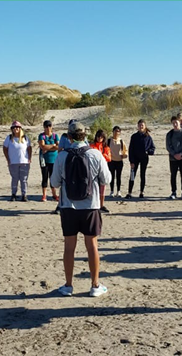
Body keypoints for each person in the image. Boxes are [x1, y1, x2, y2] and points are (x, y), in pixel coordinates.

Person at [50, 121, 112, 297]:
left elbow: (54, 182)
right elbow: (106, 179)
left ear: (69, 136)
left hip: (68, 206)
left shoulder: (62, 156)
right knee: (92, 245)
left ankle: (68, 285)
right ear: (85, 135)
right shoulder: (95, 154)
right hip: (90, 206)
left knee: (69, 247)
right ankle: (95, 285)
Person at [126, 119, 155, 199]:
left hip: (144, 159)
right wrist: (131, 161)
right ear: (137, 126)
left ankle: (141, 192)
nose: (141, 126)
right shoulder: (134, 136)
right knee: (132, 175)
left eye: (142, 125)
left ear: (145, 126)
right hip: (135, 159)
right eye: (139, 125)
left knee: (143, 175)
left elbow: (152, 148)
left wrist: (148, 152)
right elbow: (130, 149)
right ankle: (129, 193)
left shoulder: (148, 137)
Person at [3, 120, 32, 202]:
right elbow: (5, 148)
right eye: (14, 127)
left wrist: (29, 158)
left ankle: (24, 194)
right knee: (14, 178)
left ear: (20, 128)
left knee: (24, 179)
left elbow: (29, 148)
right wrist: (8, 159)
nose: (16, 129)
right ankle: (13, 194)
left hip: (24, 162)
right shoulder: (9, 138)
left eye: (17, 127)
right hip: (13, 162)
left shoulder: (25, 138)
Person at [166, 116, 182, 200]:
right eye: (173, 123)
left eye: (176, 122)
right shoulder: (170, 134)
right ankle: (173, 192)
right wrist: (174, 154)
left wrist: (181, 154)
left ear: (180, 122)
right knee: (173, 175)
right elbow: (168, 146)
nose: (175, 124)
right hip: (173, 158)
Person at [89, 129, 112, 213]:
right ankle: (93, 204)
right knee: (93, 187)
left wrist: (101, 155)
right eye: (98, 136)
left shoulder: (105, 147)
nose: (99, 138)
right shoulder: (92, 146)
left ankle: (101, 205)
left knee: (102, 187)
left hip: (103, 168)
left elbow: (109, 158)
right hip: (93, 169)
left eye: (101, 137)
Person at [37, 120, 60, 202]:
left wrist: (49, 147)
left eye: (49, 126)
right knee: (45, 177)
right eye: (46, 126)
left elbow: (58, 146)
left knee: (53, 177)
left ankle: (54, 194)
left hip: (54, 160)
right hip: (44, 160)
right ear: (44, 127)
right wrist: (52, 146)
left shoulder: (55, 136)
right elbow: (42, 146)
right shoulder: (41, 136)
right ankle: (44, 195)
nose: (48, 128)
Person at [106, 126, 128, 197]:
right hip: (111, 161)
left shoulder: (121, 141)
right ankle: (112, 191)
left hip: (119, 161)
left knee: (119, 177)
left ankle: (118, 191)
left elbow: (125, 151)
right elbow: (105, 149)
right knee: (111, 176)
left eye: (118, 131)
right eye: (115, 131)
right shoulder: (109, 141)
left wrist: (124, 155)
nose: (116, 133)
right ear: (113, 132)